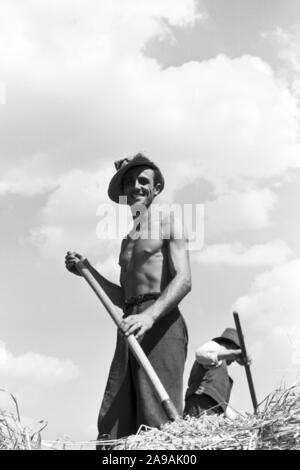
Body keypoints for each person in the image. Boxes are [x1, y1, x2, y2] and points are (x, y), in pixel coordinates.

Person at [65, 153, 191, 441]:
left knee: (156, 417)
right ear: (124, 192)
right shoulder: (128, 239)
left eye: (144, 180)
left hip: (161, 321)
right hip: (129, 322)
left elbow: (184, 280)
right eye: (131, 181)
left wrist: (150, 316)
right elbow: (124, 297)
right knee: (116, 415)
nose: (137, 186)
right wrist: (87, 272)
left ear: (157, 189)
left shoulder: (169, 221)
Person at [184, 328, 248, 419]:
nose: (235, 360)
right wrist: (234, 353)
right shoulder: (214, 347)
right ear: (231, 346)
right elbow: (200, 353)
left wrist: (238, 417)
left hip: (213, 415)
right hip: (199, 409)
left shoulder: (222, 373)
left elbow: (220, 403)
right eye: (237, 350)